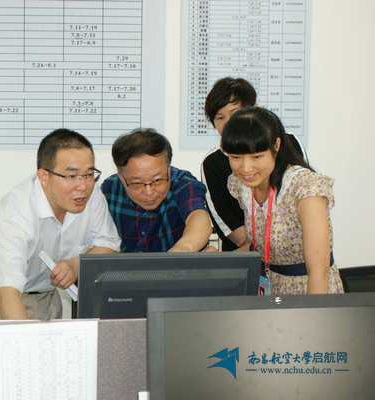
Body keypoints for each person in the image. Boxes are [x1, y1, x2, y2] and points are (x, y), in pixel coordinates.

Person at [0, 128, 121, 340]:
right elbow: (8, 292)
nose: (83, 186)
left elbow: (110, 245)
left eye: (88, 174)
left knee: (51, 359)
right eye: (71, 176)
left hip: (46, 296)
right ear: (44, 176)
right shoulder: (16, 213)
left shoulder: (92, 195)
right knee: (7, 357)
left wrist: (76, 264)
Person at [221, 107, 343, 294]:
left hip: (309, 291)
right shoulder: (241, 185)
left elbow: (319, 271)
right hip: (271, 288)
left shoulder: (304, 187)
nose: (245, 168)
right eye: (235, 157)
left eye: (256, 156)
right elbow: (263, 246)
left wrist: (313, 311)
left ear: (276, 146)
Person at [201, 77, 307, 251]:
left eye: (235, 113)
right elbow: (228, 224)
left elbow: (302, 210)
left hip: (293, 256)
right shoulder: (213, 163)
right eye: (220, 118)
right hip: (245, 256)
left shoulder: (289, 142)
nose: (229, 123)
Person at [101, 128, 212, 253]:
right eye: (137, 183)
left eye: (157, 180)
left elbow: (197, 216)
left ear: (168, 170)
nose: (149, 192)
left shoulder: (183, 184)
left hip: (178, 264)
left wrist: (182, 250)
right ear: (121, 177)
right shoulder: (109, 190)